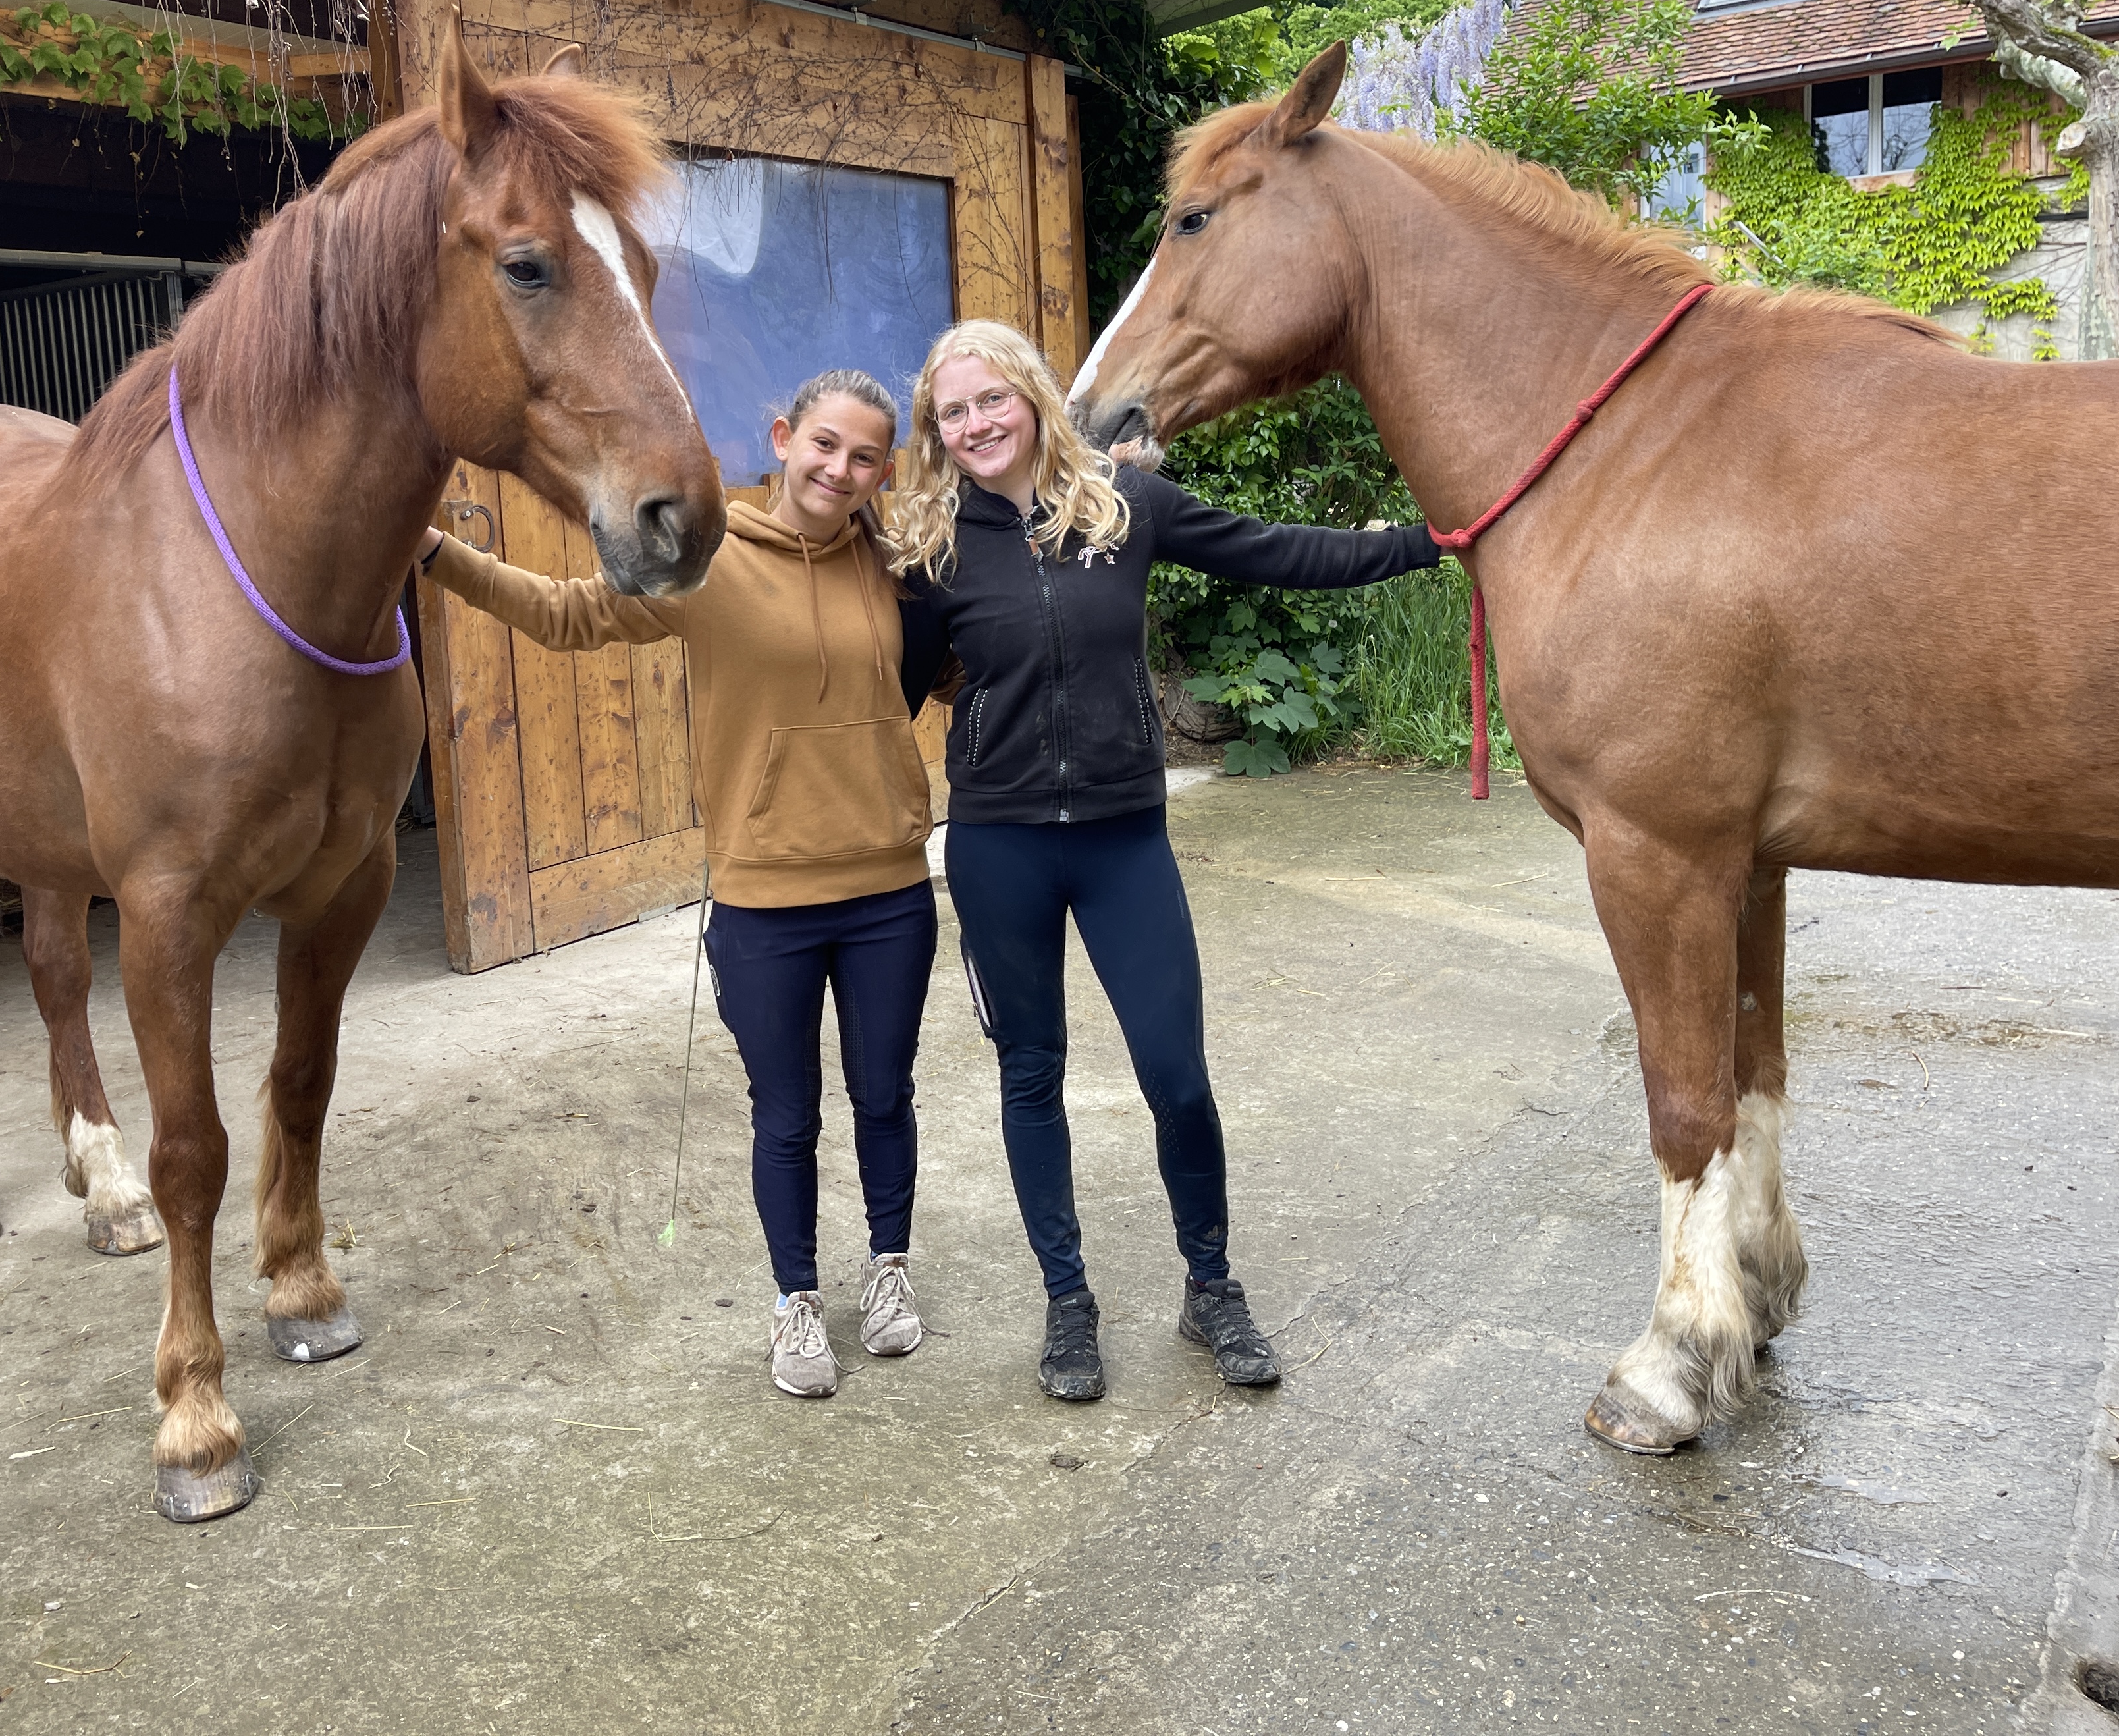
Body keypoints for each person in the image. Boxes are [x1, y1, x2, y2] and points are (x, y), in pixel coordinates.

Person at [888, 319, 1440, 1401]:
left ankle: (1211, 1287)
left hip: (1122, 839)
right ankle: (1068, 1305)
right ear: (934, 430)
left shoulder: (1124, 506)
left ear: (1034, 398)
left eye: (990, 401)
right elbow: (878, 691)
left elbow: (1278, 550)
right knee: (1032, 1074)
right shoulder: (933, 548)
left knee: (1176, 1077)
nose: (973, 426)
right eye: (951, 413)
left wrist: (1426, 543)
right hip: (999, 845)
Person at [419, 372, 938, 1399]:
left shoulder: (902, 565)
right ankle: (796, 1303)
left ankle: (887, 1270)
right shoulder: (705, 565)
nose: (841, 470)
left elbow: (984, 658)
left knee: (885, 1096)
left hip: (888, 889)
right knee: (785, 1114)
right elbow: (567, 616)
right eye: (825, 445)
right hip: (764, 898)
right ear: (784, 438)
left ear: (886, 469)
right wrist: (436, 555)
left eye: (866, 456)